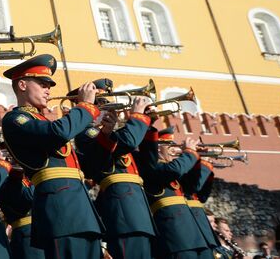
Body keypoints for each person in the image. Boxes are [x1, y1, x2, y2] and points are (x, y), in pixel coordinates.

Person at [0, 54, 104, 258]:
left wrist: (106, 133)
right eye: (41, 84)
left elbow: (90, 165)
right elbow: (59, 133)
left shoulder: (43, 120)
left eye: (48, 85)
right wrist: (85, 107)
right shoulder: (16, 118)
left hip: (80, 208)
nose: (48, 89)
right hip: (60, 210)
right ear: (22, 85)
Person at [74, 79, 155, 259]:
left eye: (107, 102)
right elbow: (127, 141)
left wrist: (150, 125)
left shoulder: (114, 132)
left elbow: (150, 165)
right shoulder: (86, 132)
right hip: (123, 212)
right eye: (101, 103)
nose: (109, 107)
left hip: (139, 212)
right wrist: (137, 118)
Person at [133, 127, 211, 258]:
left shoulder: (174, 173)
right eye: (170, 145)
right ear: (157, 148)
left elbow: (194, 186)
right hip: (176, 235)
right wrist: (190, 152)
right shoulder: (152, 170)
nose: (176, 149)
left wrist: (198, 159)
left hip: (195, 234)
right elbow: (174, 170)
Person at [0, 141, 44, 259]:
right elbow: (29, 198)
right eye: (9, 154)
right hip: (27, 235)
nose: (12, 157)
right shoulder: (5, 181)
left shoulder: (26, 176)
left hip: (40, 232)